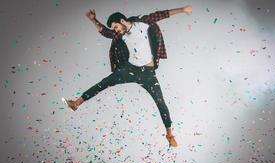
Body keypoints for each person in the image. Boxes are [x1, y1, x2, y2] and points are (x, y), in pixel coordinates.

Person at [65, 5, 193, 147]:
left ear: (122, 21)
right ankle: (76, 103)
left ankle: (169, 134)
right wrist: (93, 20)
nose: (116, 30)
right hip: (130, 69)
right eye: (114, 29)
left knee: (160, 102)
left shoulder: (143, 23)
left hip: (148, 74)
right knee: (104, 82)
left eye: (116, 27)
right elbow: (105, 32)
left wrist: (183, 10)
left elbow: (161, 14)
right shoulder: (121, 35)